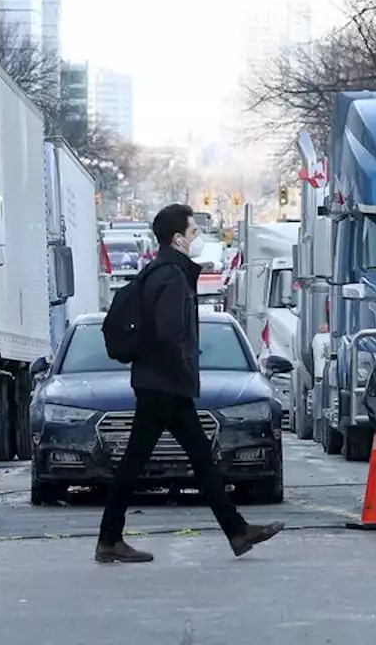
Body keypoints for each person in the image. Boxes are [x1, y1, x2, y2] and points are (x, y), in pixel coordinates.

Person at [95, 203, 285, 564]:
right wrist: (182, 368)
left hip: (163, 383)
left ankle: (236, 531)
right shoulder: (170, 276)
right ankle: (109, 539)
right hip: (164, 384)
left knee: (200, 461)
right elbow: (170, 333)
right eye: (194, 232)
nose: (198, 239)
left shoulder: (165, 271)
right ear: (178, 238)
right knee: (142, 462)